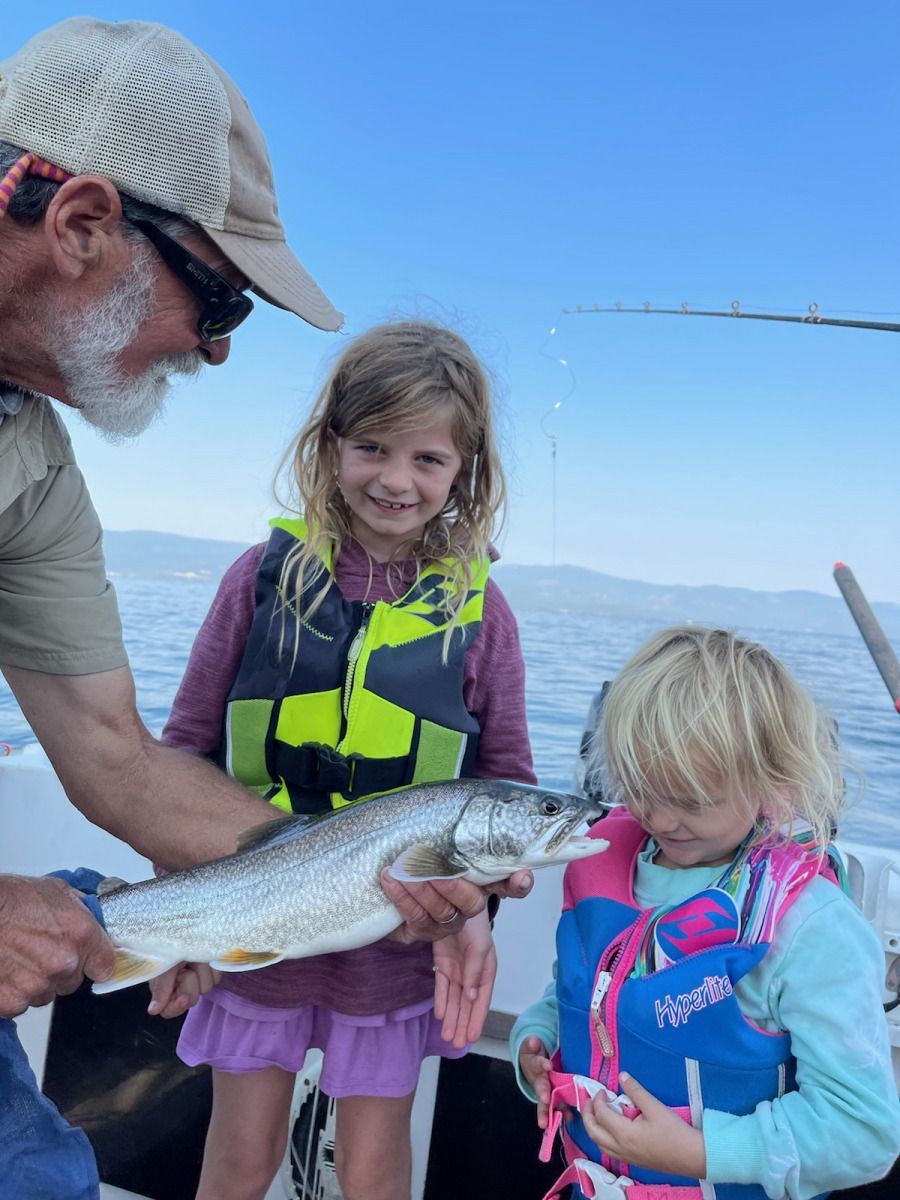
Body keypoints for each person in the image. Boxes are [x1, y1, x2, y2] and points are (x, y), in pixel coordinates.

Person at [0, 18, 529, 1199]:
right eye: (221, 302)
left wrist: (313, 893)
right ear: (83, 223)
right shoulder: (253, 577)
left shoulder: (30, 471)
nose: (218, 352)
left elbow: (122, 761)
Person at [153, 319, 536, 1200]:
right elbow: (181, 750)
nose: (396, 480)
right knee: (239, 1157)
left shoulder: (486, 615)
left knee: (372, 1166)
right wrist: (183, 921)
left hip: (398, 947)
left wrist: (471, 908)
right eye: (371, 447)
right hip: (250, 930)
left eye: (429, 460)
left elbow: (506, 780)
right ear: (329, 447)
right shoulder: (259, 577)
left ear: (463, 469)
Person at [512, 626, 900, 1200]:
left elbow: (864, 1133)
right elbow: (582, 993)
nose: (662, 820)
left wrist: (702, 1152)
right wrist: (535, 1043)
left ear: (773, 778)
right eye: (641, 788)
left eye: (692, 799)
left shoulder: (810, 928)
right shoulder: (602, 872)